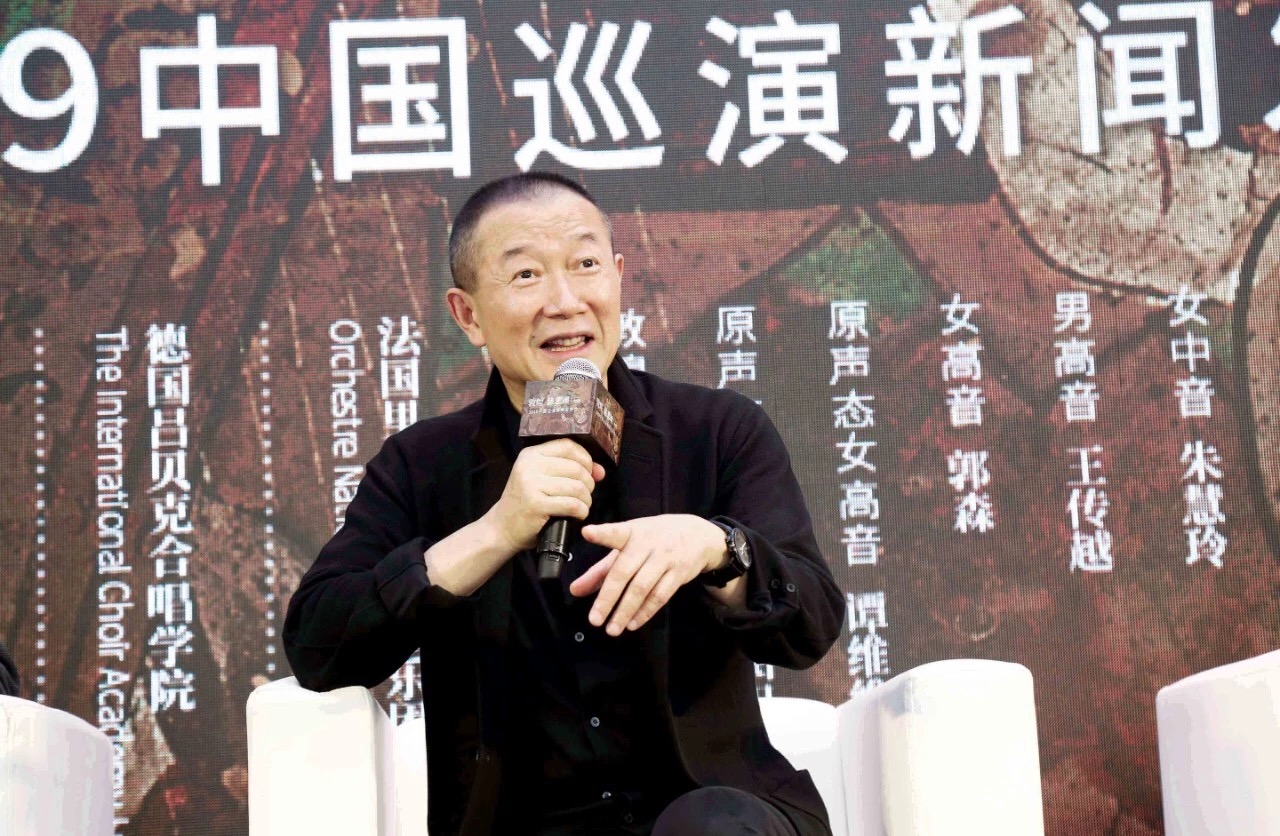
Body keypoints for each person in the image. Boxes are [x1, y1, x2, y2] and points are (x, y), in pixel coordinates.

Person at [284, 173, 845, 836]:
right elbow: (319, 646)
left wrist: (716, 550)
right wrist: (493, 534)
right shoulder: (421, 466)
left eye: (585, 265)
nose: (565, 301)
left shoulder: (717, 430)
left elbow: (812, 623)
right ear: (468, 316)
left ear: (618, 278)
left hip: (713, 814)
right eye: (526, 275)